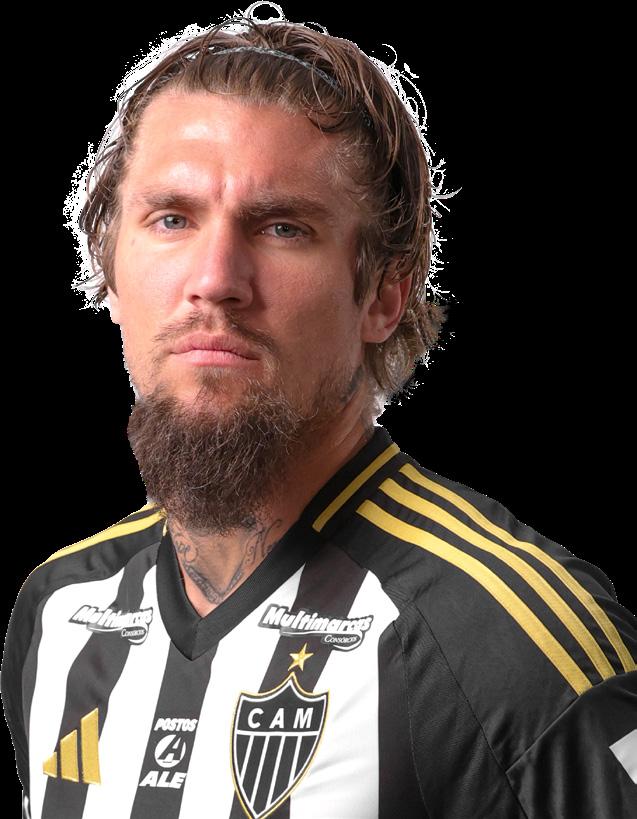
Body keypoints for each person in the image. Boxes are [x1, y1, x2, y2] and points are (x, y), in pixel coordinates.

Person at [2, 6, 636, 819]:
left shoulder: (508, 644)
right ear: (112, 269)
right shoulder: (62, 610)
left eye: (282, 227)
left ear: (383, 294)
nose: (215, 278)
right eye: (172, 219)